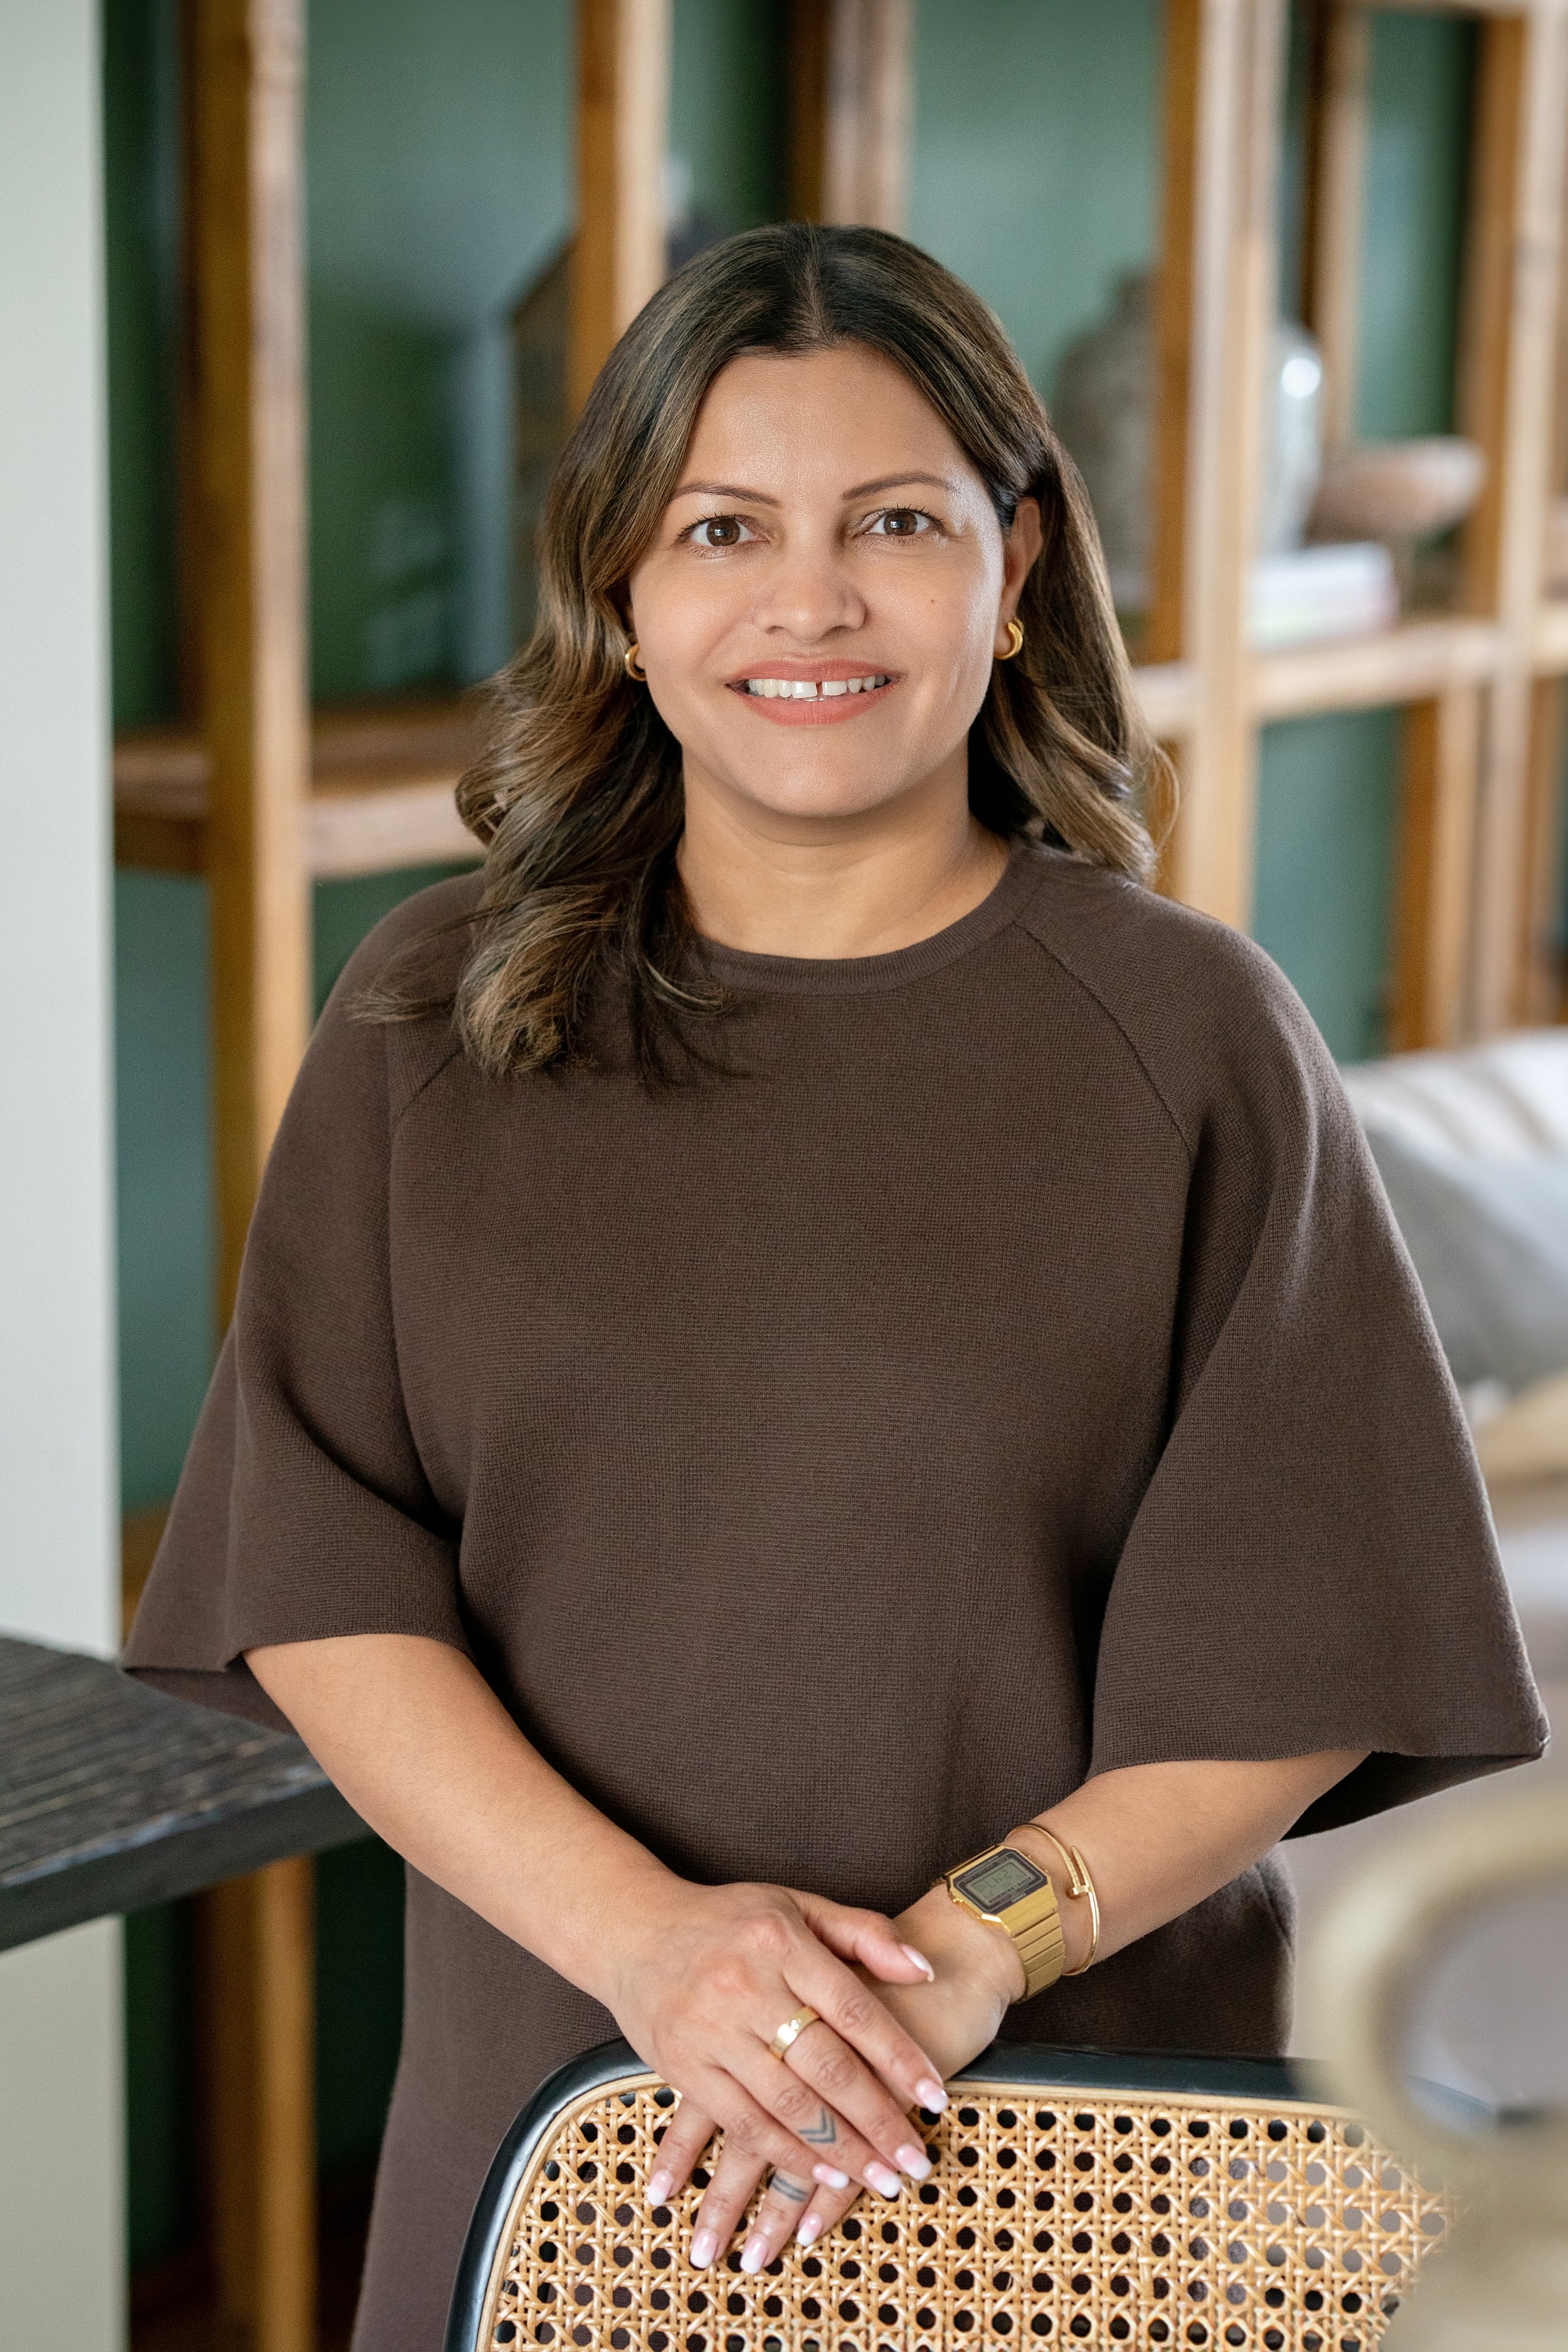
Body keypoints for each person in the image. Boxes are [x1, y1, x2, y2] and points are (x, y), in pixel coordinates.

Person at [124, 223, 1544, 2350]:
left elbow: (1290, 1660)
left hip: (1065, 2146)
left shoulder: (1190, 1042)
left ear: (1017, 557)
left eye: (893, 521)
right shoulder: (434, 1013)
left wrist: (946, 1964)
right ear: (621, 586)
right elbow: (321, 1573)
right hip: (551, 2108)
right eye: (722, 528)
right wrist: (653, 1950)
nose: (808, 602)